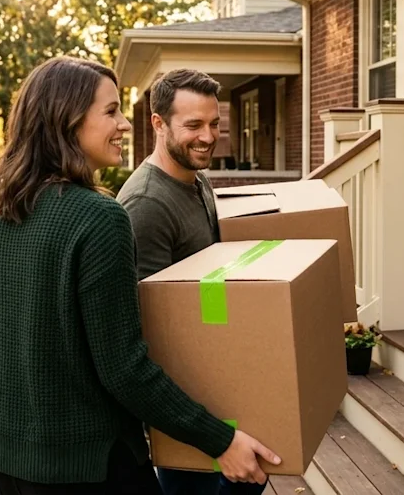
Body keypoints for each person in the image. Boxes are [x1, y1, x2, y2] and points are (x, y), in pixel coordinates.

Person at [0, 56, 279, 494]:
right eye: (110, 112)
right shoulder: (99, 218)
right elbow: (124, 369)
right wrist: (219, 439)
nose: (125, 125)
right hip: (92, 470)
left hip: (7, 467)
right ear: (66, 120)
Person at [117, 69, 268, 495]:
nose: (208, 136)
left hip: (220, 385)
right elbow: (152, 328)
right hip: (187, 410)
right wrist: (208, 432)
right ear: (158, 124)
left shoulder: (197, 179)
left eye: (214, 123)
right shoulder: (147, 204)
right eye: (193, 126)